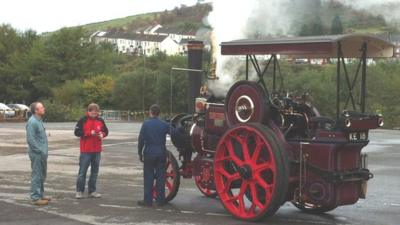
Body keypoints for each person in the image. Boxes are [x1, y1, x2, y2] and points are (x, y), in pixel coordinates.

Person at [137, 104, 177, 207]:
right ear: (159, 113)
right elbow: (175, 133)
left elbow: (141, 140)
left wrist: (140, 153)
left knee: (148, 178)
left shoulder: (146, 124)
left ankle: (148, 201)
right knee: (161, 177)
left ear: (150, 112)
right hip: (161, 153)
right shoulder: (163, 124)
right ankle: (160, 200)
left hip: (149, 152)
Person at [74, 103, 108, 199]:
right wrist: (89, 133)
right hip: (86, 151)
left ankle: (92, 191)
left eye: (96, 113)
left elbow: (106, 131)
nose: (95, 115)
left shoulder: (100, 120)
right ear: (88, 111)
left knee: (95, 172)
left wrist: (103, 134)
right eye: (93, 113)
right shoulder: (83, 120)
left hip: (97, 150)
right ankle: (79, 191)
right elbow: (77, 132)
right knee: (82, 172)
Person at [26, 102, 50, 206]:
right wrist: (39, 150)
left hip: (42, 153)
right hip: (37, 153)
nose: (44, 108)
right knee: (37, 174)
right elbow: (30, 139)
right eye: (41, 107)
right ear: (36, 110)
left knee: (41, 174)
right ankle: (36, 197)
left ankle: (40, 194)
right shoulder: (32, 122)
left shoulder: (39, 120)